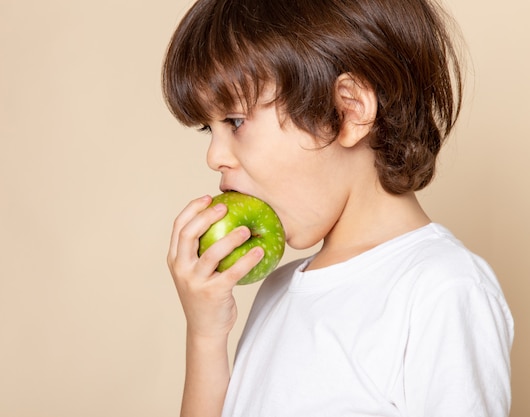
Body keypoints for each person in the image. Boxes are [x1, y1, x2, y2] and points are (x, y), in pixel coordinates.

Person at [162, 0, 514, 416]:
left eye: (235, 121)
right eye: (209, 128)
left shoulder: (442, 288)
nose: (214, 156)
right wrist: (205, 335)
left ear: (347, 110)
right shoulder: (276, 291)